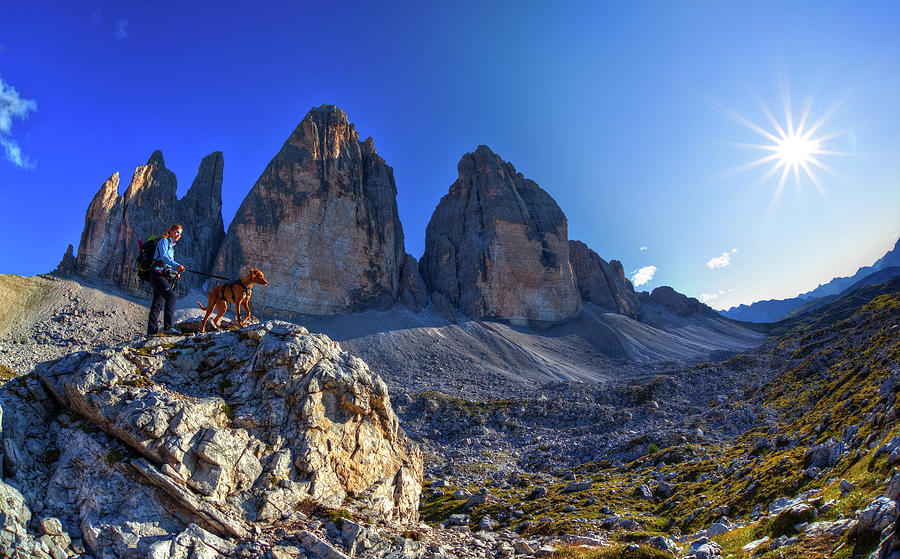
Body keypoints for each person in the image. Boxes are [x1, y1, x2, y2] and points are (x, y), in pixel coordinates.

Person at [147, 224, 186, 335]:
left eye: (180, 234)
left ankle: (151, 333)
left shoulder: (171, 246)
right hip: (157, 274)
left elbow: (167, 265)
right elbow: (164, 257)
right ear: (171, 231)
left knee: (157, 304)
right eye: (177, 232)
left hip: (162, 275)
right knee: (171, 297)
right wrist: (177, 265)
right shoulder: (164, 241)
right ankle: (169, 327)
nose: (179, 235)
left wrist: (175, 272)